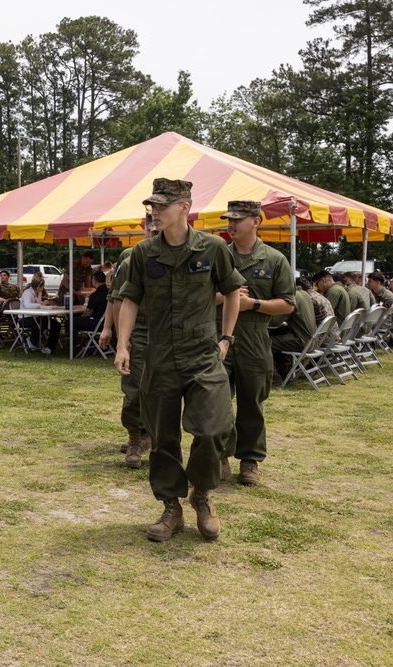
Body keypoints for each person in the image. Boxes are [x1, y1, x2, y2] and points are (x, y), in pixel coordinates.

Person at [115, 178, 244, 542]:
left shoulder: (213, 247)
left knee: (211, 428)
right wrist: (123, 345)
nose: (154, 212)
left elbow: (233, 292)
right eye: (151, 206)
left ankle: (201, 493)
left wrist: (226, 338)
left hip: (202, 354)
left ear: (185, 208)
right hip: (158, 355)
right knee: (163, 438)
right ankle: (171, 507)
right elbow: (130, 300)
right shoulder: (143, 253)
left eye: (161, 206)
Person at [216, 200, 295, 486]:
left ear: (256, 221)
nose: (231, 224)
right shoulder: (218, 255)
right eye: (229, 219)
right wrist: (228, 298)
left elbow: (287, 304)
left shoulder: (274, 259)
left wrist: (253, 303)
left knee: (252, 402)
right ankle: (220, 454)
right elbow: (199, 296)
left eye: (238, 219)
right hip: (219, 337)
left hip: (255, 337)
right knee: (216, 402)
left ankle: (250, 460)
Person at [102, 218, 156, 468]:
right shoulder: (130, 256)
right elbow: (117, 298)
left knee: (162, 391)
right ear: (144, 226)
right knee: (133, 389)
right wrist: (114, 332)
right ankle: (135, 438)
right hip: (139, 329)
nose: (154, 232)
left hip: (169, 331)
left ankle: (154, 437)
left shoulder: (183, 253)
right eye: (150, 227)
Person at [270, 277, 320, 380]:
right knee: (278, 338)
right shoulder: (304, 294)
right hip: (313, 341)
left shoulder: (292, 298)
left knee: (265, 342)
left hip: (302, 342)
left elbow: (275, 322)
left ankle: (275, 378)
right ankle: (285, 372)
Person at [18, 273, 61, 354]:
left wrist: (43, 303)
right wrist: (41, 304)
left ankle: (49, 347)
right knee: (40, 322)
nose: (43, 288)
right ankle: (32, 340)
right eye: (42, 287)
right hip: (25, 318)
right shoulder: (28, 292)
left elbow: (38, 305)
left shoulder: (38, 293)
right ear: (39, 287)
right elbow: (28, 305)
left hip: (35, 317)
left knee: (56, 325)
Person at [72, 270, 108, 335]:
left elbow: (87, 313)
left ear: (95, 281)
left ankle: (76, 343)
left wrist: (81, 317)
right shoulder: (110, 292)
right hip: (109, 324)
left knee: (71, 321)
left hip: (97, 324)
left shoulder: (95, 295)